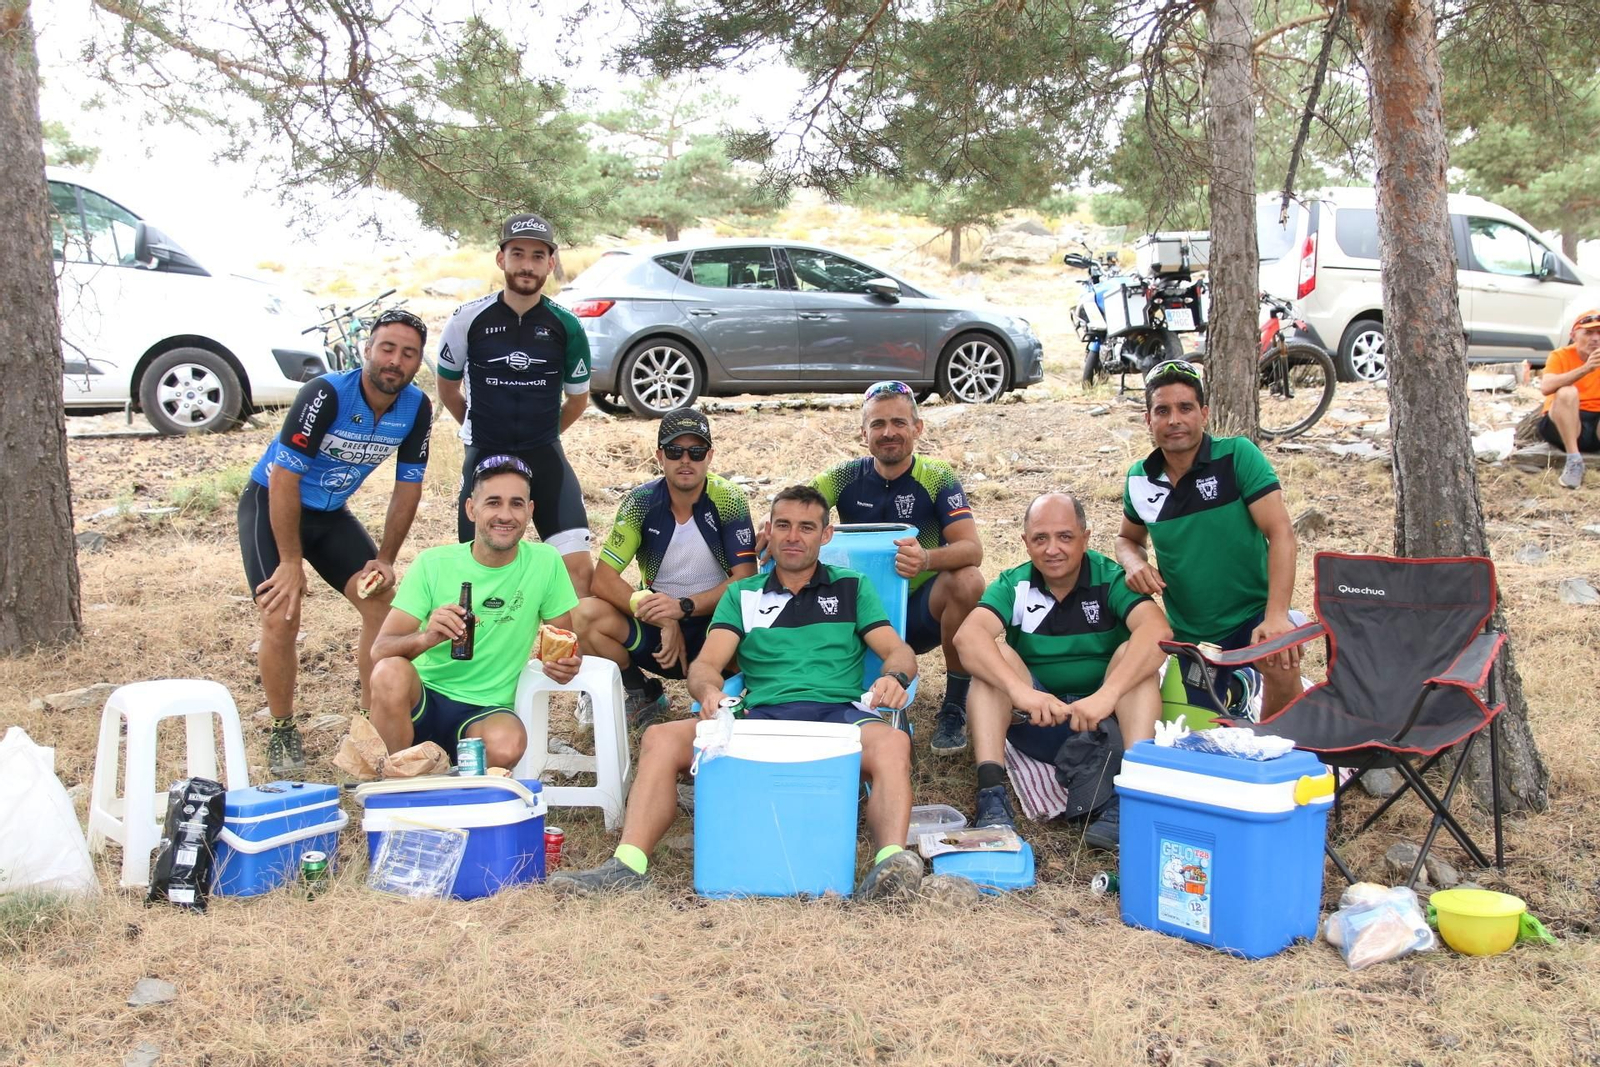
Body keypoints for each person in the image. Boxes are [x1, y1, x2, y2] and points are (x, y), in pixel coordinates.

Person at [550, 485, 925, 901]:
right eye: (782, 525)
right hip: (761, 716)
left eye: (806, 527)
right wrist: (708, 691)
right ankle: (628, 866)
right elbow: (707, 665)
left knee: (892, 743)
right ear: (769, 530)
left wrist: (896, 679)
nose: (793, 537)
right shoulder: (743, 594)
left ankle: (890, 869)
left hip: (836, 714)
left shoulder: (851, 587)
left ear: (826, 535)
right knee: (660, 738)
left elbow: (898, 652)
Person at [238, 308, 433, 776]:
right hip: (272, 504)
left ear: (417, 362)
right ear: (367, 349)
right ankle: (282, 729)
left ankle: (368, 723)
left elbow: (408, 486)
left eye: (408, 354)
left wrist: (385, 558)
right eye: (387, 348)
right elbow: (284, 476)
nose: (395, 361)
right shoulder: (325, 393)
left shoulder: (416, 407)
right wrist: (289, 561)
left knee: (381, 600)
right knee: (282, 613)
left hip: (330, 515)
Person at [953, 493, 1170, 849]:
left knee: (1137, 655)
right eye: (1040, 538)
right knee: (993, 662)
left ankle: (1129, 794)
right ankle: (992, 795)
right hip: (1040, 722)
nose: (1052, 549)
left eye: (1065, 537)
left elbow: (1158, 632)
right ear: (1025, 543)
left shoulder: (1110, 579)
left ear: (1085, 538)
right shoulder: (1015, 584)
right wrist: (1022, 693)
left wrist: (1106, 697)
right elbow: (967, 638)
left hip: (1104, 725)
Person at [367, 455, 581, 770]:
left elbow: (564, 641)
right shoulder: (433, 564)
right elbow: (380, 650)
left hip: (486, 709)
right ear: (471, 509)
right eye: (493, 503)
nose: (505, 515)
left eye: (516, 504)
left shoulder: (545, 562)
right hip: (424, 699)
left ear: (530, 511)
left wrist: (564, 664)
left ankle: (450, 778)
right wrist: (428, 637)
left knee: (507, 743)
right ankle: (397, 788)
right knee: (389, 673)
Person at [807, 380, 986, 755]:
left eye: (899, 422)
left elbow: (972, 549)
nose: (889, 432)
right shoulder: (842, 477)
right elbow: (796, 509)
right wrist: (768, 527)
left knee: (967, 581)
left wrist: (927, 559)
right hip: (855, 612)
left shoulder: (937, 476)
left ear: (917, 428)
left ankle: (954, 704)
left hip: (917, 609)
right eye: (878, 424)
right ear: (863, 433)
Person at [1115, 359, 1301, 719]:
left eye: (1185, 408)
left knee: (1281, 658)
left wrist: (1276, 615)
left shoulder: (1237, 456)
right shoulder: (1139, 479)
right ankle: (1242, 689)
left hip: (1253, 614)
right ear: (1148, 420)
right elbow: (1127, 539)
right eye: (1162, 411)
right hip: (1193, 636)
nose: (1174, 420)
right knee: (1198, 731)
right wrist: (1134, 562)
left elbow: (1281, 533)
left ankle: (1282, 756)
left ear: (1204, 413)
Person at [436, 213, 594, 596]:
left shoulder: (567, 325)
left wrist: (542, 433)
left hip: (544, 454)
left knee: (579, 573)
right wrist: (477, 428)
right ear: (500, 258)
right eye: (518, 253)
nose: (527, 265)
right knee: (476, 574)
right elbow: (447, 388)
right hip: (485, 454)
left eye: (538, 256)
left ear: (550, 263)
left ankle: (567, 654)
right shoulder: (466, 318)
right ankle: (487, 653)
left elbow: (577, 399)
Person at [573, 408, 757, 723]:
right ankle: (640, 693)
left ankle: (740, 699)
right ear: (660, 456)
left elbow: (745, 580)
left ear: (710, 456)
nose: (686, 460)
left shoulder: (729, 499)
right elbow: (602, 580)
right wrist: (662, 615)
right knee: (584, 615)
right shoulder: (640, 502)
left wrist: (682, 608)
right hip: (658, 630)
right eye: (675, 450)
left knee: (760, 633)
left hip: (715, 626)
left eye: (696, 451)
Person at [1537, 309, 1600, 489]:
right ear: (1573, 335)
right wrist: (1586, 368)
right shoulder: (1560, 355)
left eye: (1599, 332)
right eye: (1588, 333)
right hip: (1563, 424)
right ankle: (1574, 460)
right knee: (1566, 392)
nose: (1595, 338)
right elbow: (1546, 387)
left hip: (1597, 426)